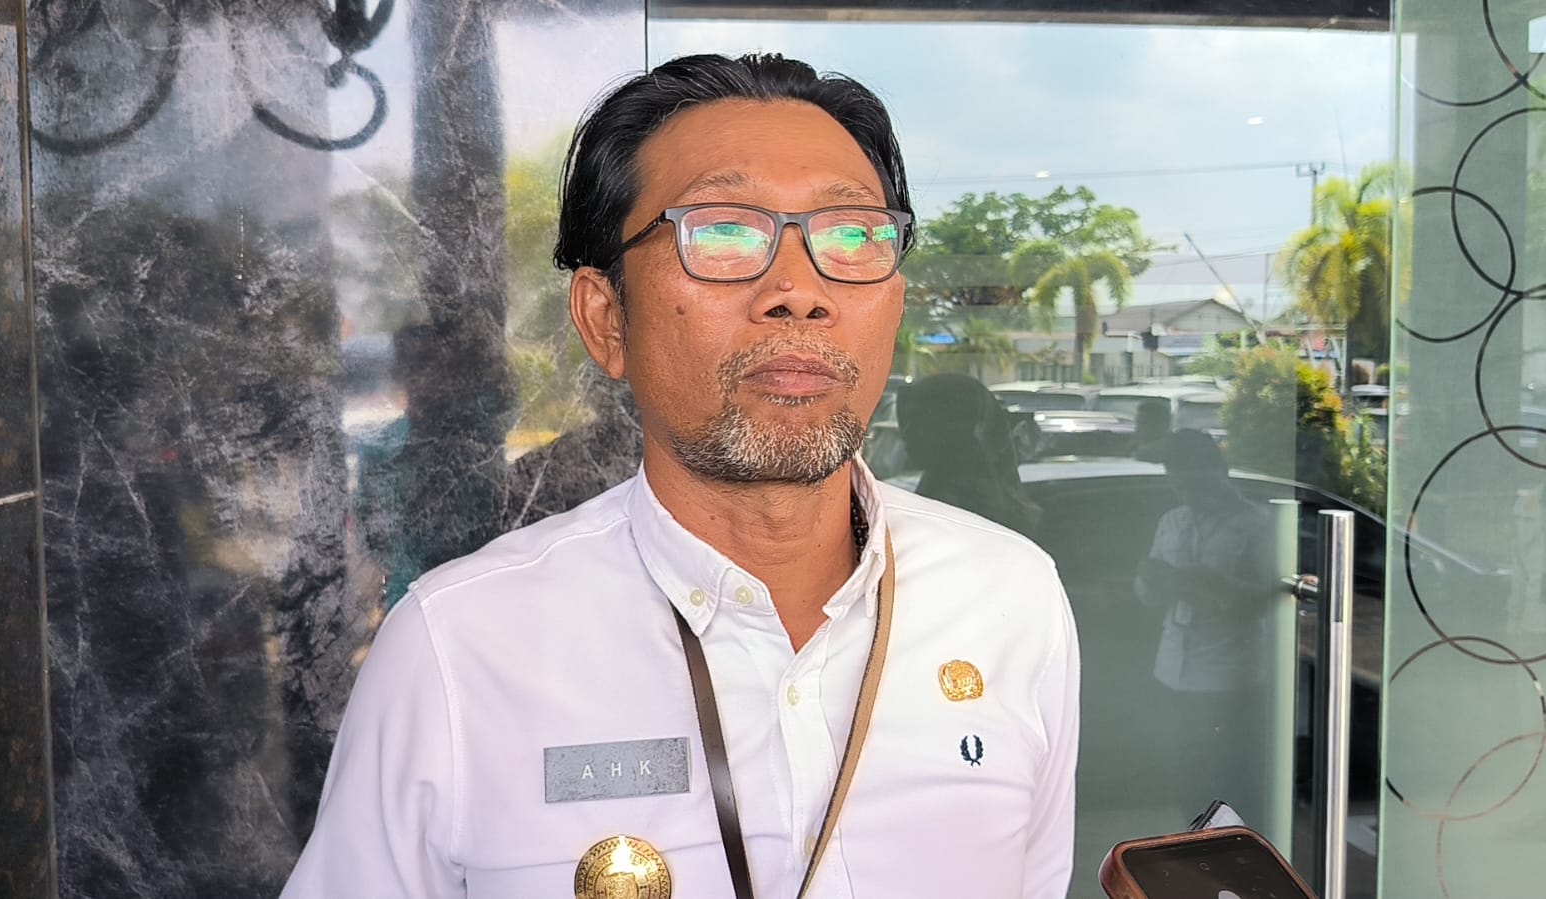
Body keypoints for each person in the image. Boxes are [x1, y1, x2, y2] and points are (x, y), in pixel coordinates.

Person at [282, 53, 1079, 899]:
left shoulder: (1007, 597)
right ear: (605, 318)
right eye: (724, 234)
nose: (798, 292)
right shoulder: (458, 648)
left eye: (851, 236)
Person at [1134, 429, 1272, 821]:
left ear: (1215, 469)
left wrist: (1216, 586)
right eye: (1174, 474)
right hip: (1172, 670)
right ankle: (1193, 846)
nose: (1181, 483)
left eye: (1188, 472)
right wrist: (1152, 583)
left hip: (1228, 674)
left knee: (1230, 781)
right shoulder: (1171, 521)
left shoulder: (1255, 524)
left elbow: (1272, 597)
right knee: (1186, 778)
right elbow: (1147, 594)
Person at [896, 372, 1042, 534]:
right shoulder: (939, 484)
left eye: (920, 421)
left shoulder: (967, 501)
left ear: (955, 428)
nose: (907, 433)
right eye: (907, 420)